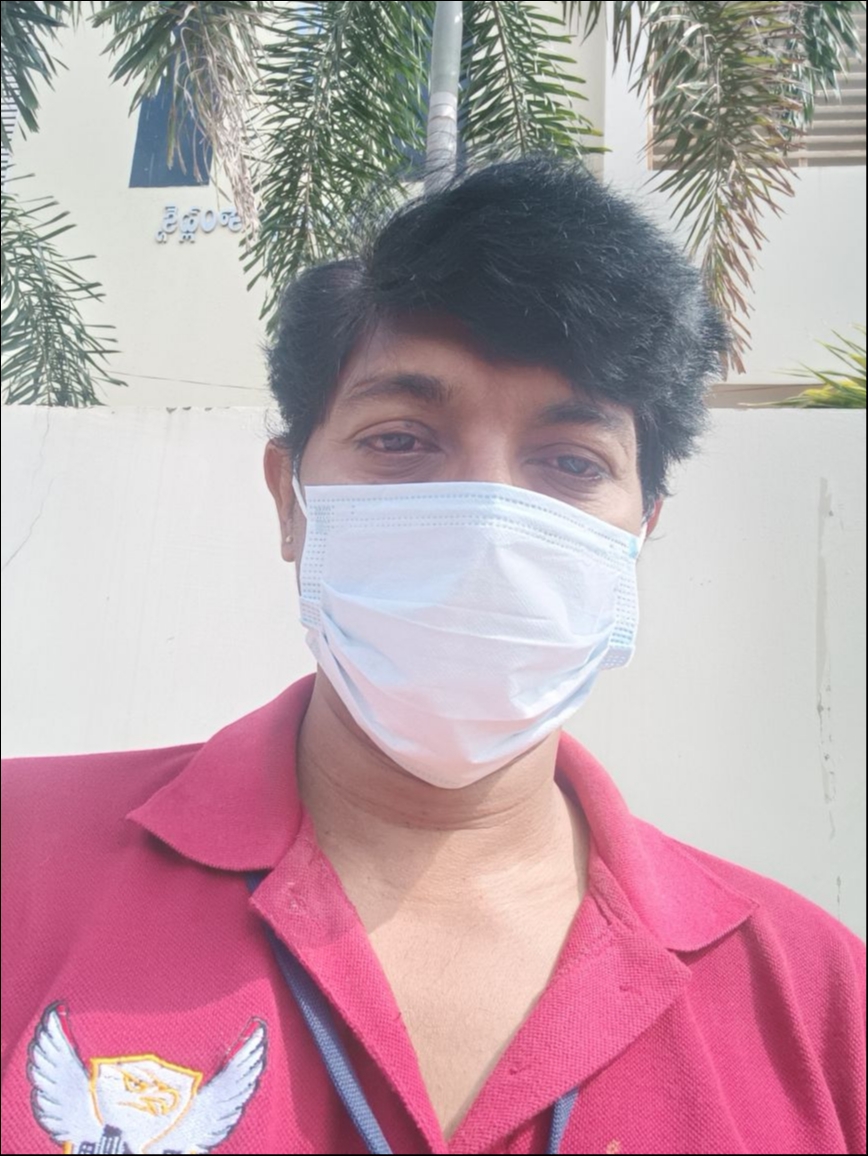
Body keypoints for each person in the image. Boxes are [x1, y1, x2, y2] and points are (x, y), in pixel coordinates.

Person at [1, 157, 864, 1156]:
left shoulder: (817, 999)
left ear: (640, 531)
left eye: (570, 461)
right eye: (401, 441)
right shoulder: (22, 864)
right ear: (290, 501)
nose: (487, 521)